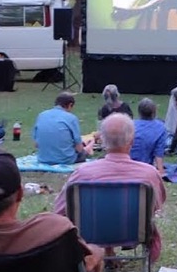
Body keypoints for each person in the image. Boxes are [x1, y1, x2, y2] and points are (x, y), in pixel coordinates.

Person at [53, 113, 166, 264]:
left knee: (102, 211)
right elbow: (157, 205)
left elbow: (60, 210)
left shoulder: (82, 174)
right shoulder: (149, 174)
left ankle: (107, 250)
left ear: (103, 142)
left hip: (90, 233)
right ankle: (110, 249)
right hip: (135, 232)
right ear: (131, 141)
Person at [34, 92, 94, 165]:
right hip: (65, 159)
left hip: (43, 158)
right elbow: (79, 148)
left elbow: (36, 144)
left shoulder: (41, 115)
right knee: (86, 149)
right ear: (70, 105)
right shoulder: (71, 118)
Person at [130, 98, 167, 174]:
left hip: (127, 165)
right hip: (145, 166)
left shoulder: (130, 124)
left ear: (139, 112)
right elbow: (158, 154)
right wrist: (161, 171)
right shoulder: (160, 127)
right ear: (154, 112)